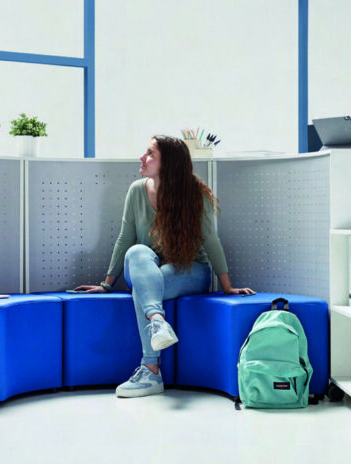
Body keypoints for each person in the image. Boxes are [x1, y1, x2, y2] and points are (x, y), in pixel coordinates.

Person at [73, 135, 254, 398]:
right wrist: (106, 284)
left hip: (189, 270)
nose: (142, 158)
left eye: (150, 154)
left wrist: (227, 287)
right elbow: (125, 238)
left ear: (168, 163)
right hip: (147, 269)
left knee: (145, 289)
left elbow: (211, 240)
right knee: (137, 252)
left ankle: (151, 371)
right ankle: (158, 322)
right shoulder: (137, 190)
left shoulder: (194, 193)